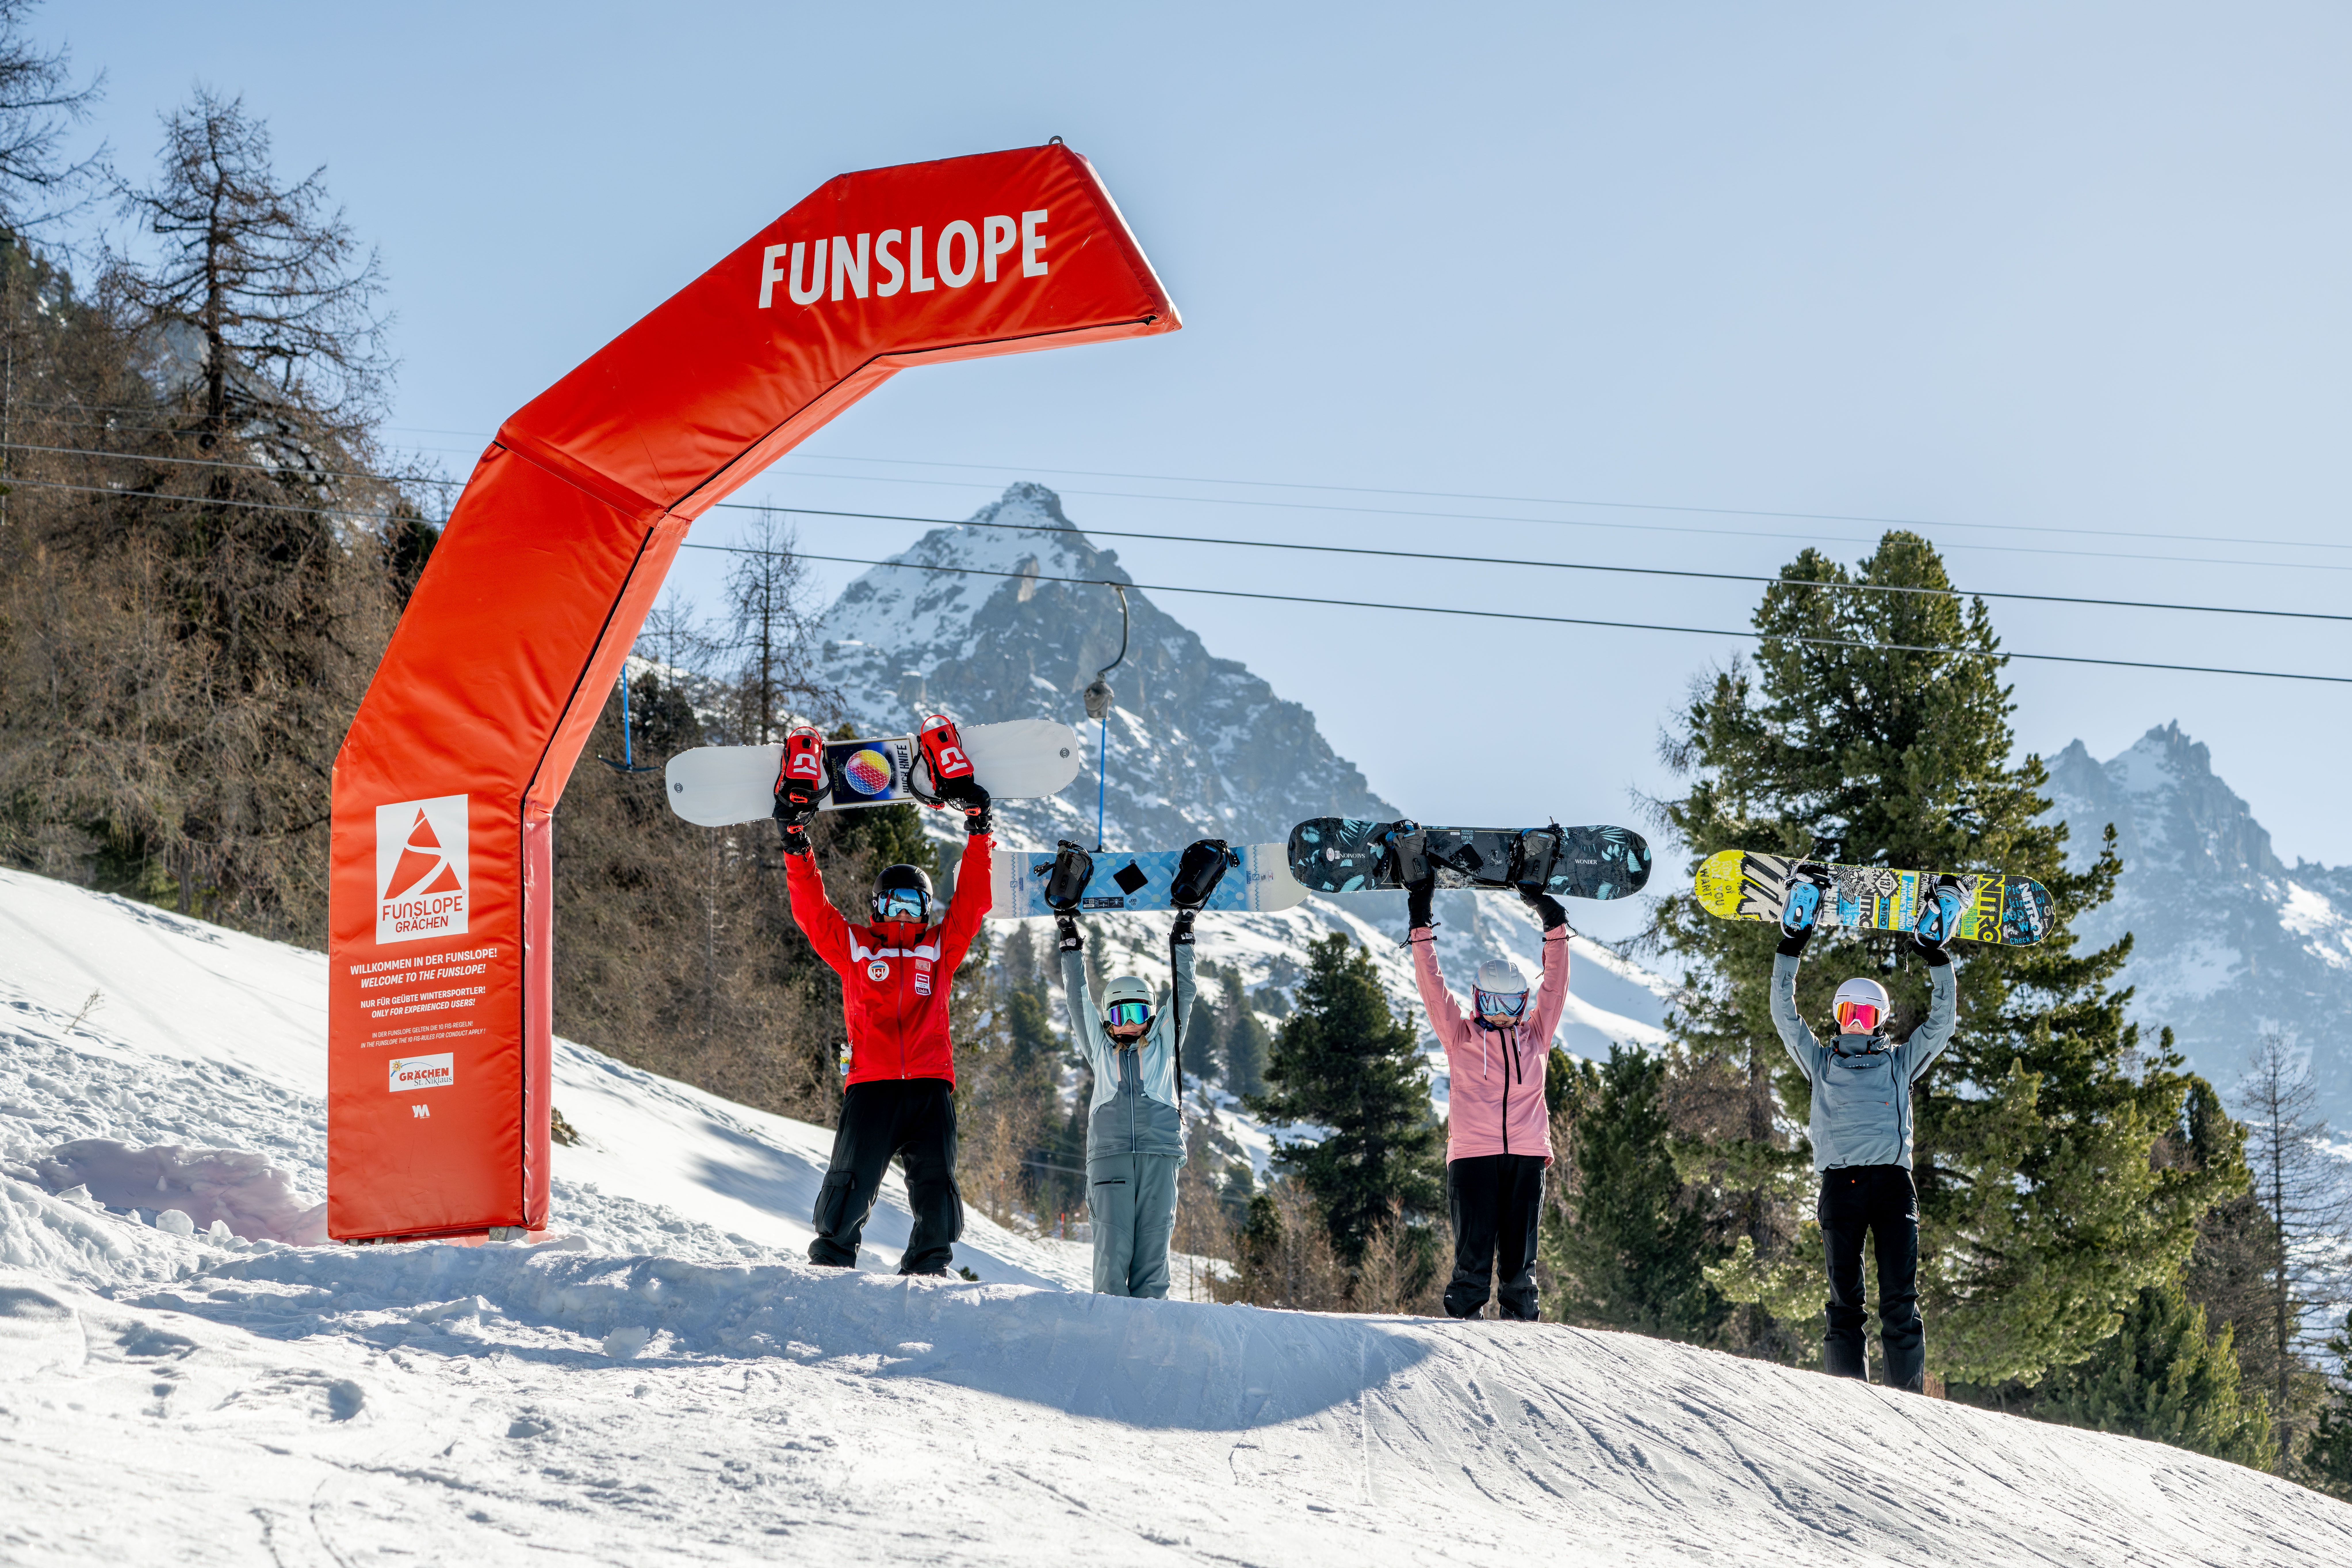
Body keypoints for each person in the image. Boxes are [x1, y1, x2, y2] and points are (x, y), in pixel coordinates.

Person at [774, 723, 993, 1277]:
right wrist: (796, 844)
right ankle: (831, 1264)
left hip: (928, 1085)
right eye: (893, 904)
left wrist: (979, 830)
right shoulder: (854, 946)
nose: (903, 915)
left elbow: (972, 903)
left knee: (938, 1190)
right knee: (849, 1184)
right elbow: (812, 912)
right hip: (871, 1085)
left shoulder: (939, 948)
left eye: (913, 905)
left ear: (925, 909)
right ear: (876, 906)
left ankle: (927, 1270)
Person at [1769, 866, 1962, 1392]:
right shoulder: (1821, 1060)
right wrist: (1792, 945)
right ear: (1836, 1016)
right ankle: (1847, 1402)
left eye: (1866, 1013)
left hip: (1892, 1184)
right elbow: (1784, 1015)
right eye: (1846, 1012)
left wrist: (1936, 957)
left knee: (1900, 1298)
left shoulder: (1900, 1062)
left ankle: (1908, 1399)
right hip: (1841, 1185)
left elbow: (1941, 1025)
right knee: (1844, 1301)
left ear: (1880, 1021)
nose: (1855, 1022)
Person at [1406, 866, 1573, 1321]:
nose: (1503, 1015)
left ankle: (1521, 1320)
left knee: (1521, 1258)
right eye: (1494, 1005)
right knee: (1473, 1254)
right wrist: (1420, 919)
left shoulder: (1536, 1035)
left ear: (1523, 1003)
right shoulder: (1459, 1036)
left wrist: (1553, 921)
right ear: (1478, 1000)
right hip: (1473, 1154)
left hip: (1526, 1153)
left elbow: (1555, 985)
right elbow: (1432, 986)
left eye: (1513, 1004)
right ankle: (1463, 1318)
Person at [1054, 903, 1199, 1298]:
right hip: (1110, 1159)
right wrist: (1070, 943)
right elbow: (1077, 999)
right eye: (1120, 1014)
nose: (1130, 1023)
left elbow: (1183, 991)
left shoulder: (1166, 1042)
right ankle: (1109, 1340)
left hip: (1159, 1155)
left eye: (1138, 1012)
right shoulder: (1100, 1049)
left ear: (1151, 1015)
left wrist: (1183, 935)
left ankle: (1151, 1343)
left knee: (1153, 1257)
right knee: (1112, 1256)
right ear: (1108, 1019)